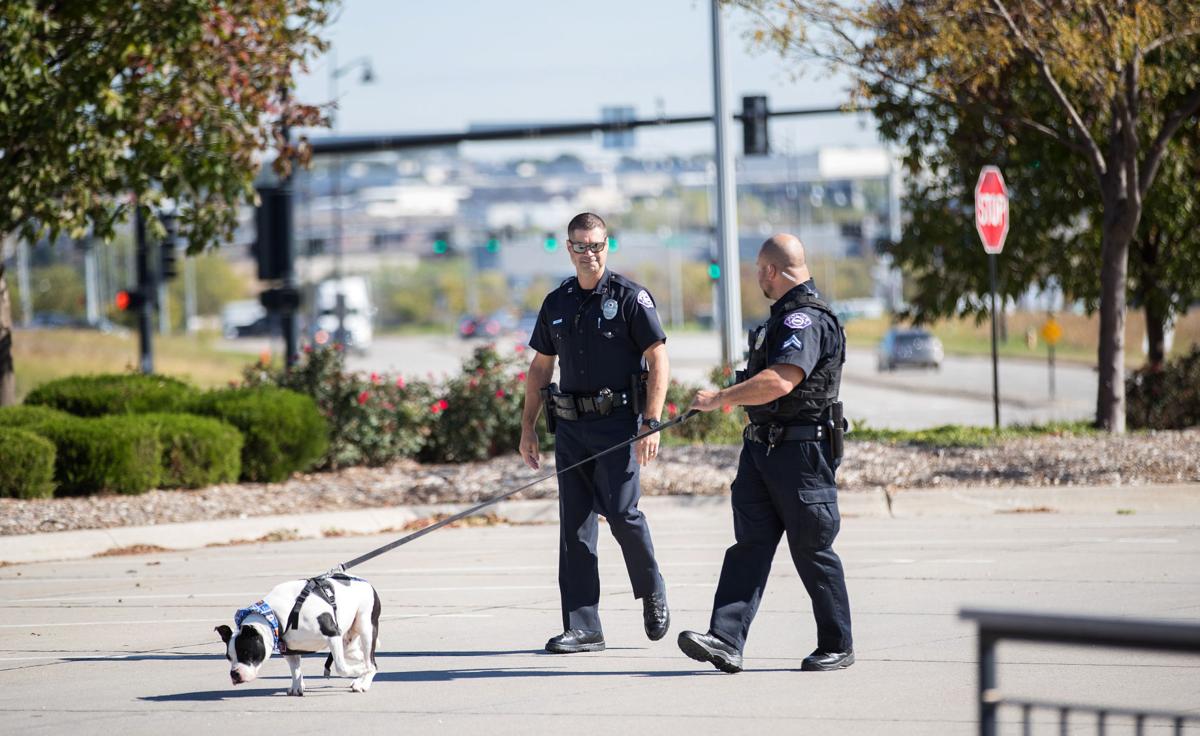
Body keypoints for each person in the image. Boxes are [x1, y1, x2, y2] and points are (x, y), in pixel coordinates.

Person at [677, 233, 853, 673]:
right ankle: (725, 640)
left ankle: (837, 643)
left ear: (772, 270)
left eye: (759, 271)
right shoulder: (783, 319)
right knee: (749, 546)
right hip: (763, 450)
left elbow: (780, 381)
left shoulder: (804, 321)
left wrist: (721, 397)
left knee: (811, 549)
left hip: (800, 453)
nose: (758, 279)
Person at [519, 212, 671, 653]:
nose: (590, 254)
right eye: (581, 246)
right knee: (576, 528)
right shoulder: (558, 302)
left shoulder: (629, 298)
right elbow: (540, 368)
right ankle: (584, 627)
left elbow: (658, 359)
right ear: (568, 248)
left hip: (619, 426)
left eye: (597, 246)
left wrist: (651, 422)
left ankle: (652, 588)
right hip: (570, 427)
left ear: (608, 246)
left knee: (624, 515)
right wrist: (528, 428)